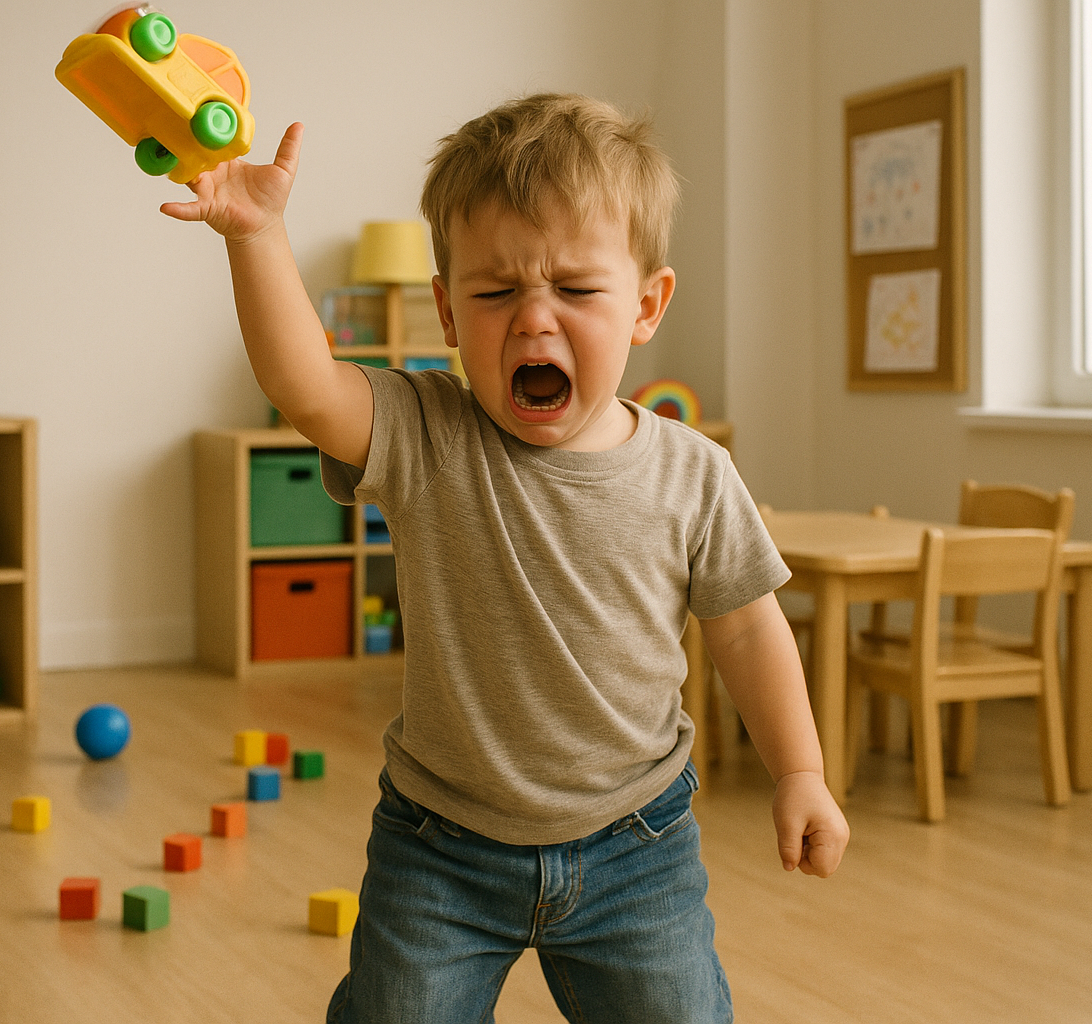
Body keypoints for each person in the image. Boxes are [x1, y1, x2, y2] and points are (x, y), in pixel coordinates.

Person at [161, 93, 849, 1024]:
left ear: (647, 305)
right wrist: (255, 236)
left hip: (635, 846)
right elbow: (306, 386)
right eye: (496, 293)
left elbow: (750, 632)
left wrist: (800, 770)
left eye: (574, 288)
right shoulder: (426, 431)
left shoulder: (695, 473)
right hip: (441, 845)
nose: (533, 320)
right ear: (447, 310)